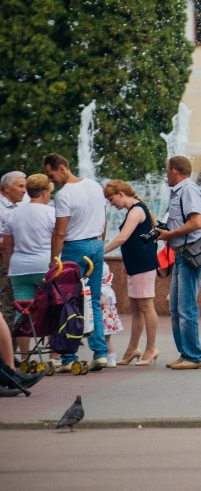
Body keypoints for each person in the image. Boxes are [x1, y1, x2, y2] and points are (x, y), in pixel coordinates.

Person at [44, 153, 109, 372]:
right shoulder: (94, 185)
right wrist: (100, 242)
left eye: (51, 174)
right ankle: (100, 353)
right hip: (96, 245)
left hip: (75, 247)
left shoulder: (63, 196)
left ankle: (68, 357)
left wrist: (54, 262)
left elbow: (59, 233)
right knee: (93, 299)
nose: (50, 180)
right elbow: (104, 217)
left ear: (61, 168)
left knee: (67, 302)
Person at [154, 155, 201, 370]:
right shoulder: (180, 191)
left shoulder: (187, 190)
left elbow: (196, 222)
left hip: (191, 253)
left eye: (166, 170)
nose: (166, 174)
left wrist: (169, 234)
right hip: (182, 254)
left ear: (174, 171)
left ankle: (194, 356)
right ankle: (185, 352)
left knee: (186, 307)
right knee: (176, 307)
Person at [102, 180, 159, 366]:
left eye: (112, 199)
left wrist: (101, 251)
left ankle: (151, 349)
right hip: (136, 264)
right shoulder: (134, 210)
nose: (111, 203)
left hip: (143, 265)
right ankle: (132, 349)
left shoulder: (136, 211)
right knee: (137, 308)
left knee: (146, 307)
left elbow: (122, 238)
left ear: (121, 193)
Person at [3, 174, 55, 358]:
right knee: (51, 308)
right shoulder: (51, 213)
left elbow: (8, 246)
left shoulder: (13, 214)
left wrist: (10, 269)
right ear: (43, 192)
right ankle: (53, 357)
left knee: (22, 312)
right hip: (44, 266)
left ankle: (25, 357)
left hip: (19, 268)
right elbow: (58, 240)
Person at [0, 171, 28, 331]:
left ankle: (12, 353)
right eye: (20, 186)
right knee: (9, 307)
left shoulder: (19, 207)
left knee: (17, 308)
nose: (25, 190)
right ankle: (6, 354)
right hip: (5, 262)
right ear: (7, 188)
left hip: (16, 261)